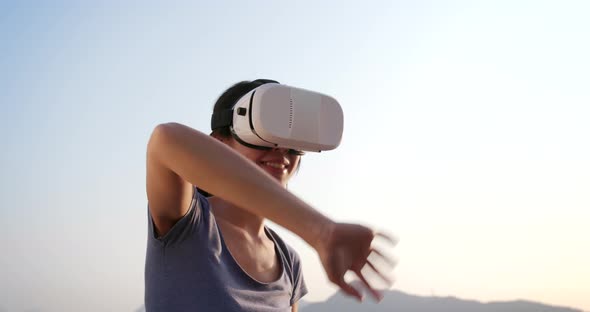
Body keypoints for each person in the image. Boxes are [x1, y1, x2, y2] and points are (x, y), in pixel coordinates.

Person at [144, 79, 396, 311]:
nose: (281, 149)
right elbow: (165, 139)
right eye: (262, 133)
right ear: (219, 142)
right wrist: (320, 231)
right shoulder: (188, 222)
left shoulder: (288, 262)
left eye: (292, 139)